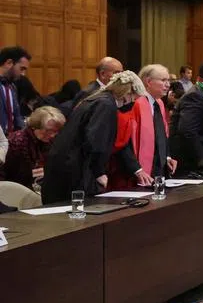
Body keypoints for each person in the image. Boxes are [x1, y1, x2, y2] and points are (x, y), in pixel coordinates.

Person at [41, 72, 146, 204]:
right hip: (75, 168)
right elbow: (96, 141)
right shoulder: (106, 104)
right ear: (127, 93)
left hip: (63, 164)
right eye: (134, 98)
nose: (133, 102)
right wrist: (99, 172)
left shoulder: (96, 99)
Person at [113, 64, 176, 189]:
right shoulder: (135, 104)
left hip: (159, 169)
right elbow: (124, 141)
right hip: (137, 171)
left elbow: (163, 134)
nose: (168, 85)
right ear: (148, 82)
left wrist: (167, 156)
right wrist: (136, 169)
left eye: (168, 80)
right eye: (163, 80)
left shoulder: (159, 103)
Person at [2, 105, 65, 189]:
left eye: (56, 131)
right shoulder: (17, 143)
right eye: (49, 130)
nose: (53, 135)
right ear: (35, 126)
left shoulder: (49, 141)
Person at [0, 45, 31, 135]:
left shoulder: (12, 87)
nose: (23, 74)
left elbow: (16, 116)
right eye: (22, 68)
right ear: (9, 63)